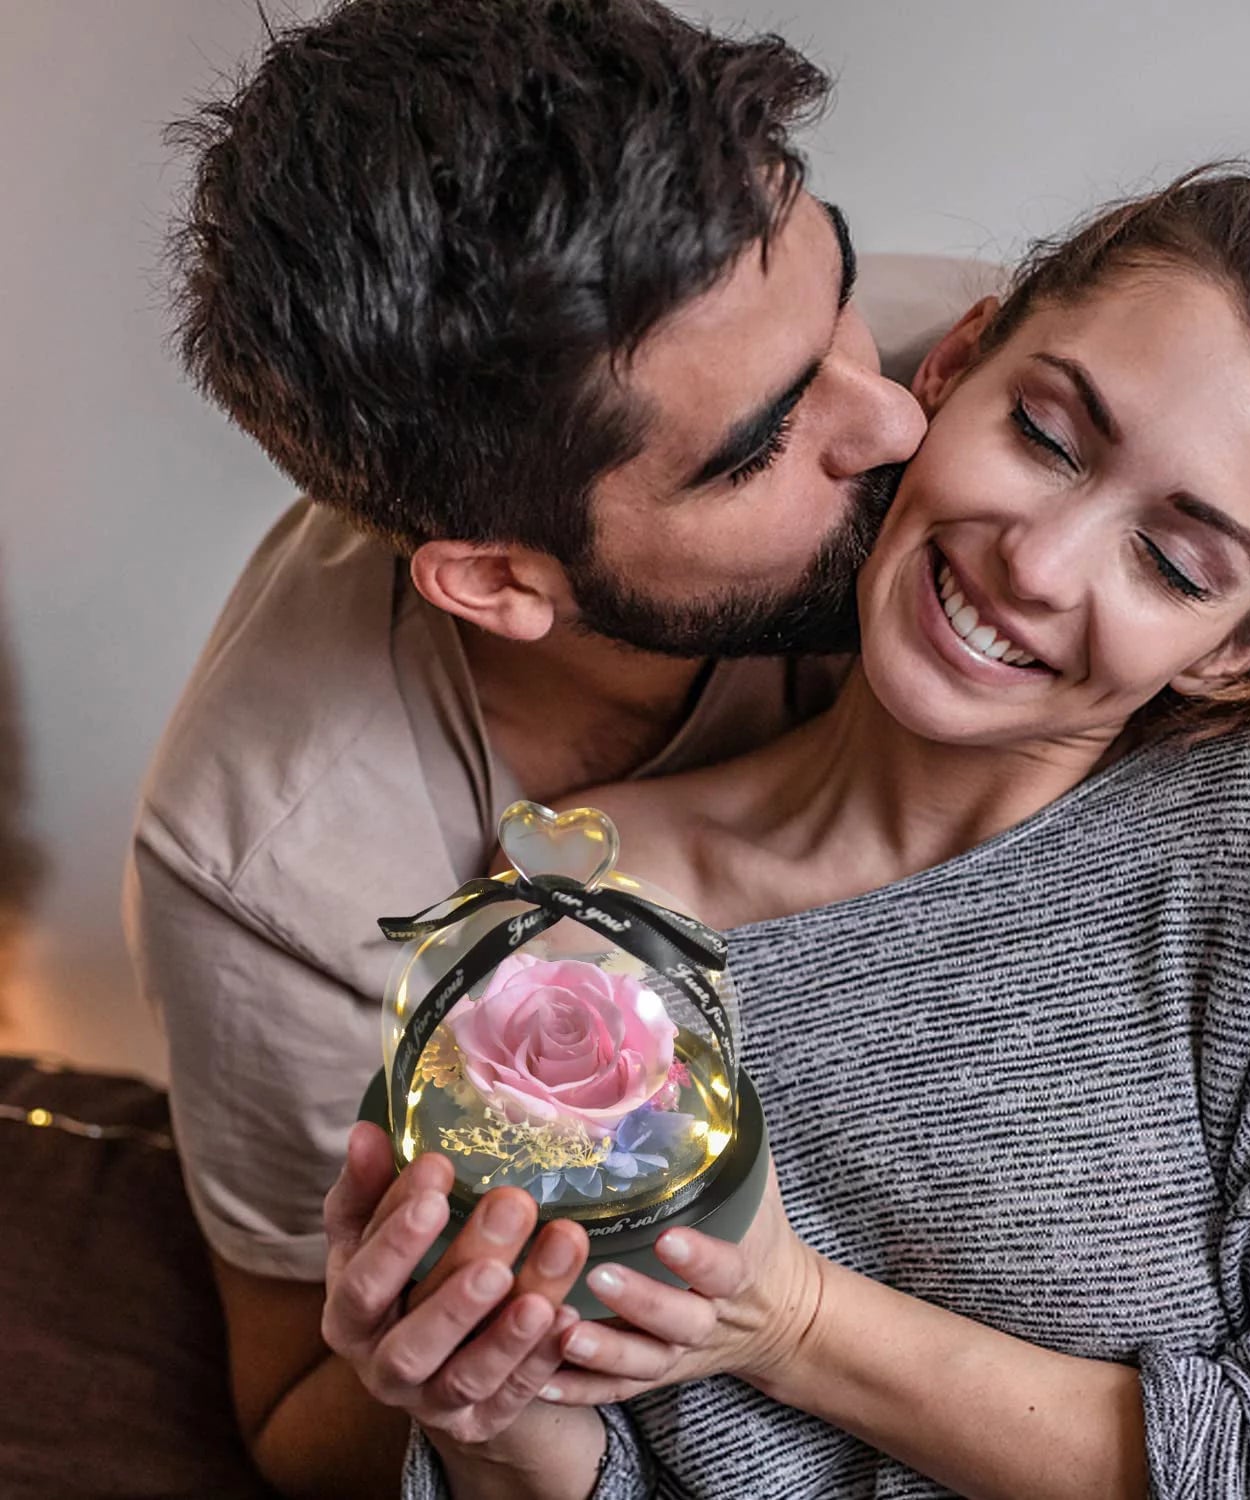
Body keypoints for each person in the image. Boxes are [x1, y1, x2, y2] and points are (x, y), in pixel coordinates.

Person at [334, 168, 1250, 1499]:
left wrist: (798, 1322)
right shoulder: (576, 905)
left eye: (1173, 563)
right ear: (953, 367)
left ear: (1241, 647)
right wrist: (490, 1421)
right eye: (1048, 436)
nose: (1041, 561)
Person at [124, 0, 926, 1493]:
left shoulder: (936, 375)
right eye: (762, 447)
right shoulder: (269, 870)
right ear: (499, 581)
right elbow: (296, 1417)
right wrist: (435, 1370)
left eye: (849, 296)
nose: (893, 422)